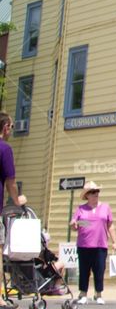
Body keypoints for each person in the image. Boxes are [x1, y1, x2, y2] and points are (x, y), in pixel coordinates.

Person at [71, 181, 116, 305]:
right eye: (92, 192)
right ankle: (83, 293)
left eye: (97, 191)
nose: (96, 194)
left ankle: (98, 294)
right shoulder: (81, 209)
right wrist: (76, 225)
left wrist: (114, 241)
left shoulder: (106, 207)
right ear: (87, 195)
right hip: (84, 245)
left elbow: (110, 225)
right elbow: (76, 225)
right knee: (84, 270)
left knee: (99, 270)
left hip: (100, 245)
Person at [0, 112, 27, 295]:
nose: (11, 130)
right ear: (5, 127)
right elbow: (10, 181)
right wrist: (17, 200)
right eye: (10, 126)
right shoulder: (5, 149)